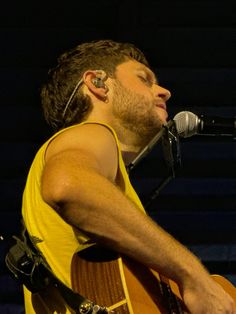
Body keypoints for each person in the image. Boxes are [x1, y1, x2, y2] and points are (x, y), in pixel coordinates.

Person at [22, 39, 236, 313]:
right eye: (144, 79)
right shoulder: (92, 133)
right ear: (97, 84)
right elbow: (67, 186)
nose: (164, 91)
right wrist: (193, 276)